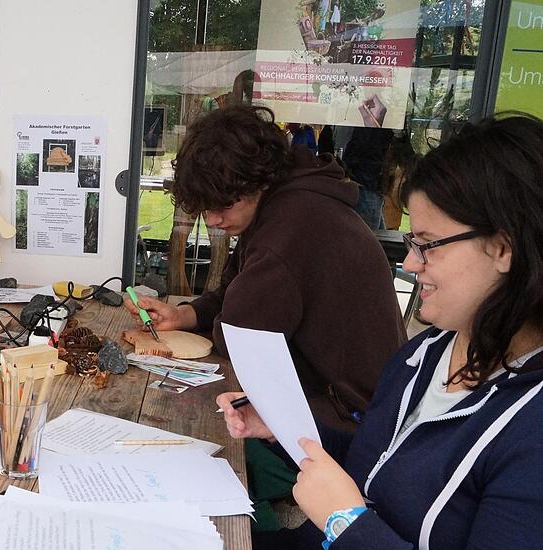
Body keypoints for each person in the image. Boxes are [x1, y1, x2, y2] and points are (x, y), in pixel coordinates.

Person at [219, 113, 543, 549]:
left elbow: (354, 507)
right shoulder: (426, 353)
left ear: (504, 248)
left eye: (427, 245)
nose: (410, 264)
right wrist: (283, 428)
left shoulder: (530, 426)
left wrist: (344, 522)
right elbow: (372, 466)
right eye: (411, 243)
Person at [127, 105, 405, 432]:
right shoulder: (284, 204)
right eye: (206, 208)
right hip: (338, 398)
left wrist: (217, 321)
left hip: (351, 423)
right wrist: (185, 315)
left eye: (224, 205)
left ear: (258, 180)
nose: (213, 220)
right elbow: (234, 294)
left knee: (193, 427)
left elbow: (239, 335)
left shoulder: (292, 229)